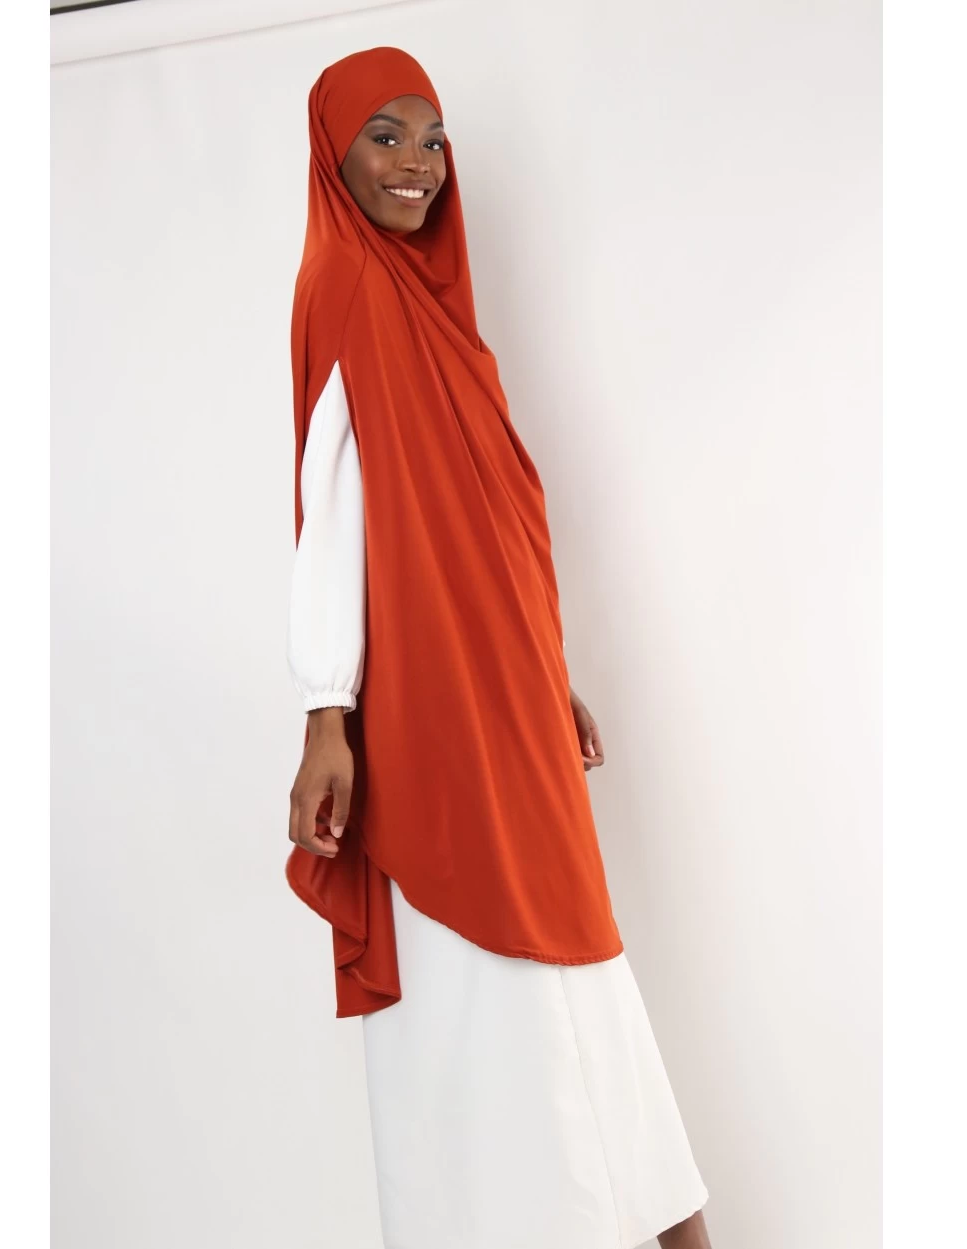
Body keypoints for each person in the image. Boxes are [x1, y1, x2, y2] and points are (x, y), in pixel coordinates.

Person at [285, 45, 713, 1249]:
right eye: (384, 136)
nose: (416, 164)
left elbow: (483, 531)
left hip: (504, 689)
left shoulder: (433, 313)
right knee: (482, 977)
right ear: (332, 154)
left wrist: (543, 672)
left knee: (572, 949)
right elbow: (333, 511)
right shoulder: (346, 290)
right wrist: (325, 709)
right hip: (427, 713)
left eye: (432, 140)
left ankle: (647, 1216)